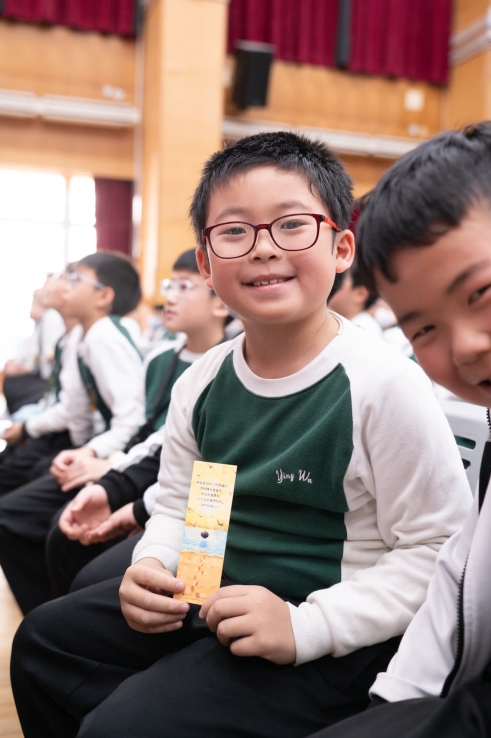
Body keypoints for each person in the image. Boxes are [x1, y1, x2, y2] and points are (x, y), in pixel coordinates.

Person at [10, 131, 471, 738]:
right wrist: (152, 563)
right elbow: (181, 504)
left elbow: (437, 551)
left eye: (292, 225)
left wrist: (306, 627)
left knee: (124, 724)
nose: (264, 248)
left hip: (333, 629)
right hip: (213, 594)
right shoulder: (201, 382)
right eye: (234, 232)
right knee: (43, 643)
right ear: (206, 264)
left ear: (341, 248)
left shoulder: (383, 386)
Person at [301, 122, 491, 738]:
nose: (465, 347)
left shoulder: (382, 379)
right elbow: (459, 573)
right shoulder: (212, 372)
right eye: (424, 329)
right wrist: (393, 703)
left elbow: (431, 546)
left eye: (482, 292)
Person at [45, 247, 231, 595]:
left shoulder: (224, 367)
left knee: (100, 579)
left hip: (209, 513)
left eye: (185, 287)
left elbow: (213, 480)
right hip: (175, 494)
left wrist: (139, 509)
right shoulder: (173, 361)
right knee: (68, 534)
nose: (169, 297)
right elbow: (158, 440)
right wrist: (116, 483)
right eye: (169, 286)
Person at [0, 251, 145, 614]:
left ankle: (48, 611)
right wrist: (82, 449)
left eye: (76, 279)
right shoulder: (85, 335)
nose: (66, 286)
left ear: (104, 296)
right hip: (97, 447)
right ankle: (46, 609)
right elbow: (76, 410)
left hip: (121, 453)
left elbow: (132, 420)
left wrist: (90, 453)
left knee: (15, 514)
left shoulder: (103, 337)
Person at [0, 272, 81, 489]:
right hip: (55, 416)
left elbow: (73, 410)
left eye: (55, 283)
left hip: (71, 434)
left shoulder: (85, 337)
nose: (46, 291)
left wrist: (27, 428)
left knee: (16, 467)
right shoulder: (67, 335)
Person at [3, 283, 66, 414]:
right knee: (10, 381)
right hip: (42, 375)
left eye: (35, 303)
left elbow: (48, 357)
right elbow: (33, 355)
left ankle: (20, 421)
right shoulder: (40, 323)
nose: (31, 308)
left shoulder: (51, 318)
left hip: (46, 380)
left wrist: (27, 368)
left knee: (13, 385)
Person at [327, 260, 382, 337]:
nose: (332, 284)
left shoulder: (364, 331)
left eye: (339, 280)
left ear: (360, 294)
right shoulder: (346, 325)